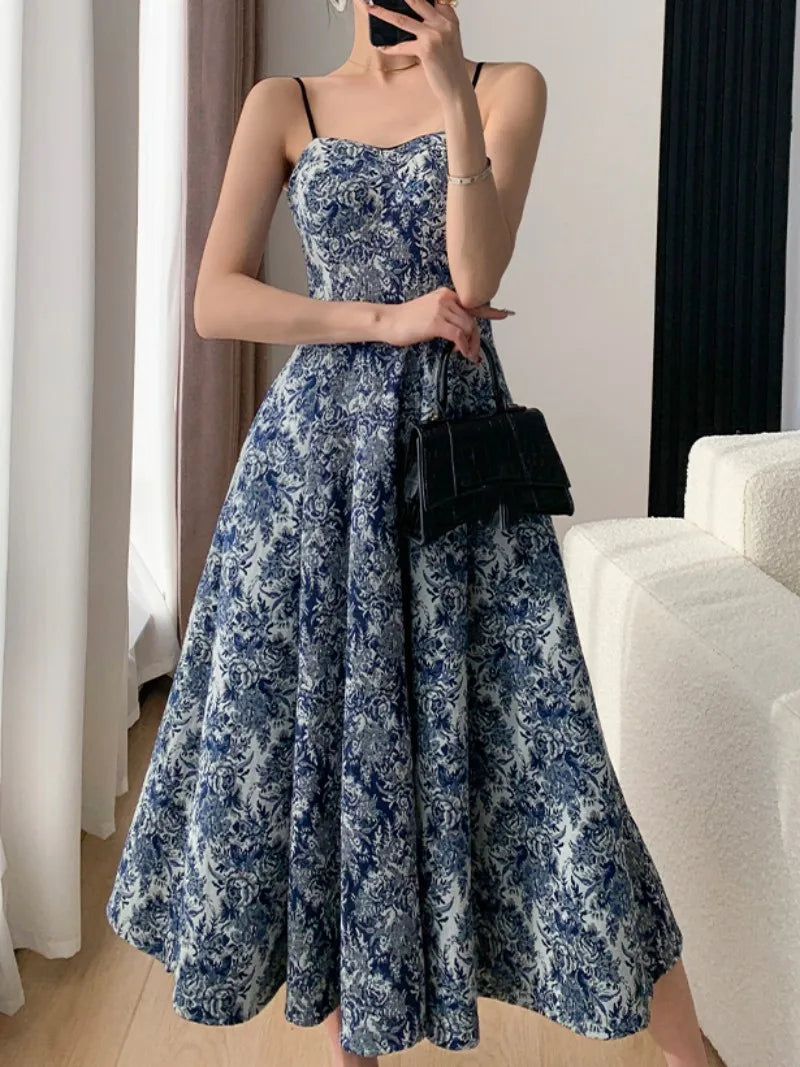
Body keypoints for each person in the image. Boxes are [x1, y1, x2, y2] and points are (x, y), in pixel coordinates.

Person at [106, 1, 711, 1065]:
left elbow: (475, 280)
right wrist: (382, 319)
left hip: (455, 467)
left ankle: (690, 1050)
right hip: (313, 471)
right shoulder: (283, 103)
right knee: (333, 749)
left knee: (552, 756)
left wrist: (450, 98)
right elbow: (216, 299)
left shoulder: (504, 87)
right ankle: (359, 1045)